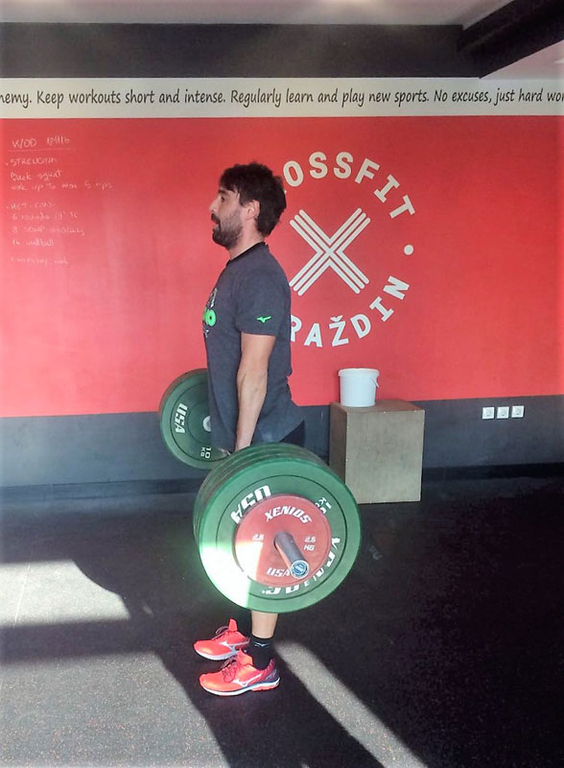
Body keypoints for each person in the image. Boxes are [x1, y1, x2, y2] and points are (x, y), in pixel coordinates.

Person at [195, 162, 304, 696]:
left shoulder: (260, 276)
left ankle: (259, 662)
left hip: (265, 440)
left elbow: (254, 372)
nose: (213, 207)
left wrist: (241, 456)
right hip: (240, 437)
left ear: (251, 208)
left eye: (224, 197)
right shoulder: (237, 269)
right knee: (238, 539)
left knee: (263, 548)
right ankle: (240, 633)